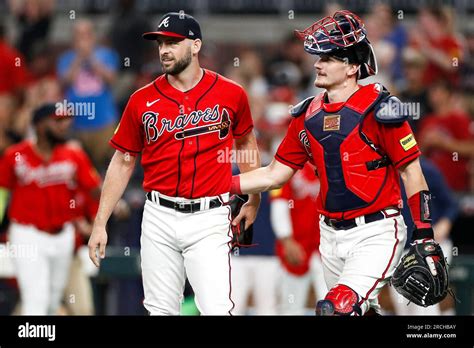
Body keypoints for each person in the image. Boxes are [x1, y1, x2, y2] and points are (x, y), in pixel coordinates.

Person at [230, 10, 442, 316]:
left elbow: (412, 172)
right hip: (328, 235)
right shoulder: (306, 116)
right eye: (319, 57)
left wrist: (423, 233)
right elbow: (275, 175)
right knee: (359, 311)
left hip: (376, 231)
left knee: (336, 308)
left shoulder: (381, 110)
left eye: (328, 57)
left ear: (353, 66)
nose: (318, 63)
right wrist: (219, 183)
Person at [88, 12, 260, 315]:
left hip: (209, 215)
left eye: (173, 42)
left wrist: (253, 198)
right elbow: (122, 161)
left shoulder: (231, 94)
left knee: (217, 308)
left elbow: (245, 142)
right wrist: (100, 222)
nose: (164, 50)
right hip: (158, 215)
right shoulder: (141, 100)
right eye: (161, 44)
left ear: (195, 46)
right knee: (160, 310)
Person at [0, 103, 101, 315]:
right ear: (39, 125)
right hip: (27, 234)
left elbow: (94, 190)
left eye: (67, 121)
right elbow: (2, 192)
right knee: (36, 298)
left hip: (62, 236)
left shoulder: (74, 155)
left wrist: (102, 216)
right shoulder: (15, 155)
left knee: (53, 300)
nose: (65, 125)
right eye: (58, 121)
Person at [57, 19, 119, 169]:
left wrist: (91, 58)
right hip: (76, 123)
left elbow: (111, 79)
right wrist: (79, 59)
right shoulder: (65, 58)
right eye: (78, 35)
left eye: (86, 35)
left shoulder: (107, 54)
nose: (82, 39)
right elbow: (64, 82)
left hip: (103, 122)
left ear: (93, 36)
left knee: (106, 166)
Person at [270, 162, 327, 314]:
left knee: (334, 304)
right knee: (291, 306)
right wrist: (287, 240)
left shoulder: (331, 158)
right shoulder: (289, 161)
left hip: (328, 246)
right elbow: (279, 203)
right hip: (298, 246)